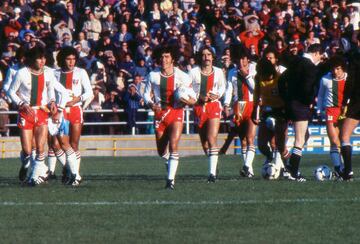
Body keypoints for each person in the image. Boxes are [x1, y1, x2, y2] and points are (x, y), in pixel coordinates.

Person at [7, 46, 67, 185]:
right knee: (28, 150)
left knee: (41, 148)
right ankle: (26, 165)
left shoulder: (48, 73)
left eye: (44, 58)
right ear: (32, 59)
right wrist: (21, 103)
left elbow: (51, 89)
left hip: (41, 112)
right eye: (39, 58)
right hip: (26, 113)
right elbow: (11, 91)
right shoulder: (21, 73)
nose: (42, 61)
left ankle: (34, 177)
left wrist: (52, 101)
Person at [143, 45, 196, 189]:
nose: (164, 60)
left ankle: (170, 181)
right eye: (161, 57)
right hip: (160, 114)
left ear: (172, 59)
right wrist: (150, 104)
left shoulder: (183, 76)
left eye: (167, 57)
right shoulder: (153, 75)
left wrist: (188, 101)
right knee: (161, 151)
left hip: (176, 112)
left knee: (173, 146)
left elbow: (193, 98)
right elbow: (146, 94)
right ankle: (169, 162)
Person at [278, 43, 323, 182]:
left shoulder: (296, 61)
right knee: (300, 139)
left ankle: (290, 166)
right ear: (315, 53)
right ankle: (293, 172)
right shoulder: (309, 66)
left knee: (306, 135)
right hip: (300, 105)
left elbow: (281, 80)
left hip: (291, 103)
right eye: (320, 56)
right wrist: (308, 101)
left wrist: (286, 98)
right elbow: (307, 88)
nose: (320, 59)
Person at [53, 46, 93, 185]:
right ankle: (68, 168)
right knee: (57, 144)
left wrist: (77, 100)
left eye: (73, 59)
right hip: (61, 111)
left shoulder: (81, 72)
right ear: (62, 59)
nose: (71, 62)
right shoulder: (54, 73)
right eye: (68, 59)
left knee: (74, 144)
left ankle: (75, 176)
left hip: (76, 110)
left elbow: (89, 92)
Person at [189, 46, 225, 182]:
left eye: (209, 54)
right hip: (199, 108)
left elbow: (222, 87)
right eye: (204, 55)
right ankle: (213, 164)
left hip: (214, 106)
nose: (207, 57)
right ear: (200, 57)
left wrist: (217, 94)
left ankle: (212, 175)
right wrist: (198, 96)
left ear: (212, 57)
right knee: (204, 143)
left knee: (211, 138)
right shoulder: (193, 72)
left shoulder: (218, 72)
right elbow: (188, 88)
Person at [223, 48, 257, 178]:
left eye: (244, 59)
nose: (241, 62)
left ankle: (246, 167)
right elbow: (229, 89)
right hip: (239, 106)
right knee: (243, 140)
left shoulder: (254, 69)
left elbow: (256, 88)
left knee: (250, 138)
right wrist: (226, 104)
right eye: (239, 59)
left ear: (248, 59)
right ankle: (249, 170)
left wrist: (246, 75)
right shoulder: (232, 72)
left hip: (252, 104)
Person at [254, 58, 289, 175]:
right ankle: (269, 157)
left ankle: (289, 167)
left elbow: (287, 97)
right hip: (266, 113)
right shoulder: (258, 78)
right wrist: (255, 110)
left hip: (280, 112)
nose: (264, 77)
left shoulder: (280, 78)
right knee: (261, 145)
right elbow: (256, 95)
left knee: (279, 145)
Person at [317, 56, 348, 177]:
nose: (335, 72)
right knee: (334, 141)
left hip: (345, 111)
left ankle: (344, 167)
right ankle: (339, 168)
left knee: (344, 140)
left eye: (338, 69)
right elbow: (320, 96)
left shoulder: (348, 78)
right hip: (331, 110)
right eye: (333, 69)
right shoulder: (325, 79)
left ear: (343, 69)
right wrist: (319, 111)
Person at [340, 34, 360, 181]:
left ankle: (348, 172)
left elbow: (350, 81)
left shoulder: (354, 58)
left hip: (356, 102)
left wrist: (344, 101)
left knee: (345, 135)